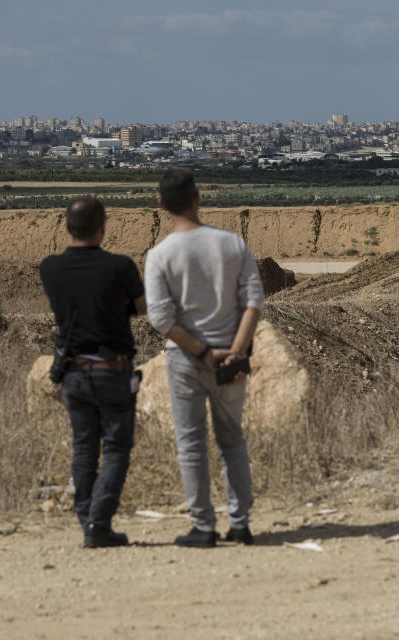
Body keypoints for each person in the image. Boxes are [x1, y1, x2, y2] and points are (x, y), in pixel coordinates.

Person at [145, 169, 263, 548]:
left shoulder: (159, 254)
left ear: (161, 205)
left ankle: (203, 526)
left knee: (191, 443)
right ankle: (241, 522)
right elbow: (253, 301)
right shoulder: (232, 244)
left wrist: (203, 352)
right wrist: (235, 351)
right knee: (233, 441)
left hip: (186, 360)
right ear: (198, 198)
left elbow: (161, 318)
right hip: (230, 360)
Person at [39, 197, 145, 548]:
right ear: (103, 227)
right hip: (112, 371)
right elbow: (141, 309)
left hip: (72, 371)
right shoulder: (120, 267)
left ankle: (88, 521)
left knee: (83, 450)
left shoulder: (49, 268)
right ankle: (98, 522)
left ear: (67, 227)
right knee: (116, 448)